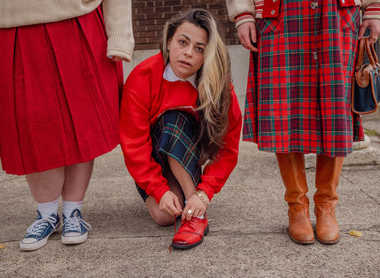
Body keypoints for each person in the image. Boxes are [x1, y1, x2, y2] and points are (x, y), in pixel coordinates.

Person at [0, 0, 134, 251]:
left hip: (78, 23)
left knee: (82, 120)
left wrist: (119, 33)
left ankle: (72, 212)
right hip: (13, 30)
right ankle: (46, 214)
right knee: (31, 124)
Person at [225, 0, 380, 245]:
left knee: (335, 108)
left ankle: (326, 205)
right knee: (283, 109)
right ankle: (296, 206)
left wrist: (373, 7)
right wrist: (243, 13)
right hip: (281, 13)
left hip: (336, 12)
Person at [120, 9, 242, 249]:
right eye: (182, 42)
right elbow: (133, 144)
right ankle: (183, 196)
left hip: (189, 153)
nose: (188, 53)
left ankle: (196, 211)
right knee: (164, 217)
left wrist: (204, 193)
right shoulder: (143, 77)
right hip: (155, 156)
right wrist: (158, 189)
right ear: (169, 42)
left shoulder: (218, 86)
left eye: (199, 48)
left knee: (176, 119)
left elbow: (229, 146)